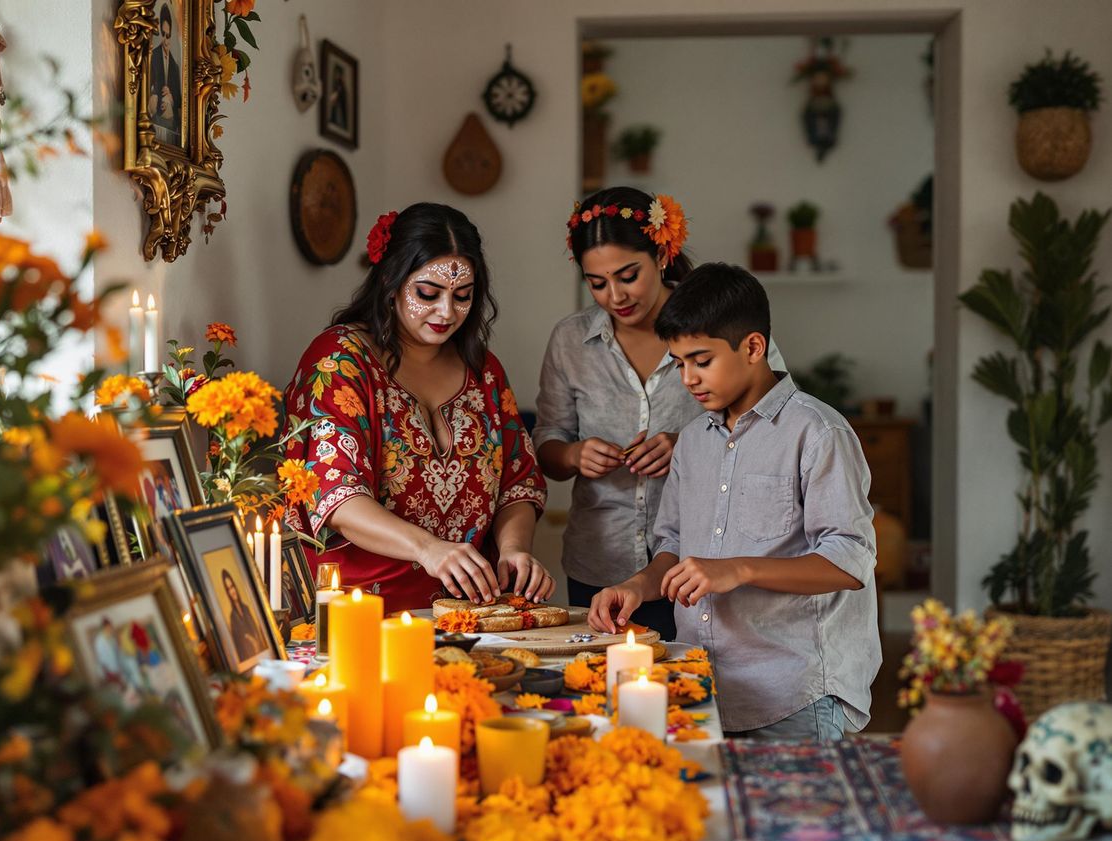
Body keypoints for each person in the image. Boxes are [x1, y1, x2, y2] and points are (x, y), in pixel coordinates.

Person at [588, 263, 879, 741]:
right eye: (679, 363)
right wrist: (638, 587)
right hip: (705, 688)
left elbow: (850, 562)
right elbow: (675, 548)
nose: (688, 379)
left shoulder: (818, 432)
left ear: (752, 348)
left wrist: (738, 569)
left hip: (795, 695)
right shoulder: (693, 441)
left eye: (701, 361)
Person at [536, 188, 783, 639]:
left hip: (705, 561)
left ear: (662, 256)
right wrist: (575, 456)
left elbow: (774, 425)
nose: (615, 295)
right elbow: (547, 443)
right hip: (601, 561)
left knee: (696, 698)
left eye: (628, 275)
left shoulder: (720, 322)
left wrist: (687, 445)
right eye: (596, 283)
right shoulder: (571, 341)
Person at [282, 203, 551, 613]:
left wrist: (514, 550)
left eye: (463, 297)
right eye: (428, 293)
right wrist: (428, 549)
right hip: (361, 610)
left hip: (469, 611)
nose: (447, 313)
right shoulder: (339, 361)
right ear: (391, 279)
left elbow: (518, 481)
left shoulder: (484, 372)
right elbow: (335, 494)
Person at [149, 4, 181, 144]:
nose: (166, 40)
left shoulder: (174, 66)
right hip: (154, 124)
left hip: (171, 127)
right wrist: (154, 94)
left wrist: (171, 97)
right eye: (163, 34)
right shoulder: (153, 56)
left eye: (168, 35)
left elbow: (180, 102)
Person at [221, 569, 265, 662]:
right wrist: (250, 639)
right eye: (228, 589)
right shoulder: (232, 617)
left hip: (261, 654)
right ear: (227, 593)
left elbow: (255, 630)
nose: (232, 591)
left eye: (232, 586)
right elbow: (239, 643)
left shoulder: (246, 609)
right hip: (248, 659)